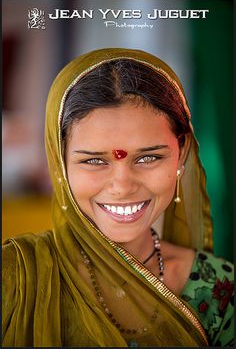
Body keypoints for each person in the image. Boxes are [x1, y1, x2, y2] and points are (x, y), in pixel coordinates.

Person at [2, 48, 234, 347]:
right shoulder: (14, 278)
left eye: (149, 157)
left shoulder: (220, 289)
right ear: (60, 163)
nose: (122, 186)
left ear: (182, 154)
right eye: (95, 161)